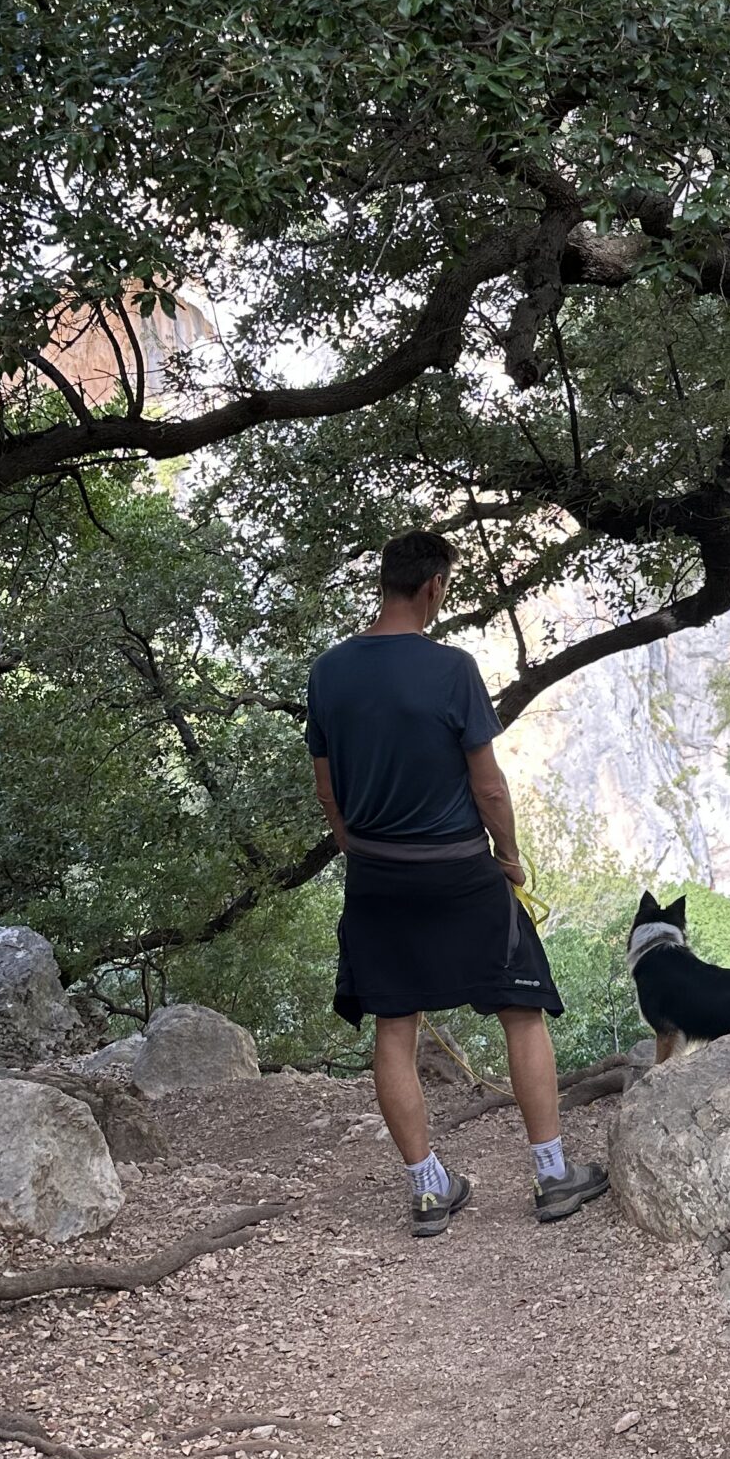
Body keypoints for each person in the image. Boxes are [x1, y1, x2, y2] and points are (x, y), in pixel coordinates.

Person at [306, 530, 609, 1238]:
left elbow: (328, 793)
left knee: (395, 1025)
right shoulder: (452, 669)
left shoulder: (329, 672)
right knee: (521, 1010)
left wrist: (361, 848)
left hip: (378, 874)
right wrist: (509, 854)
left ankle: (427, 1190)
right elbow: (488, 783)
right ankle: (553, 1173)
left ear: (385, 583)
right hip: (460, 870)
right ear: (434, 587)